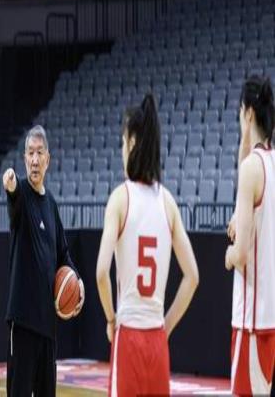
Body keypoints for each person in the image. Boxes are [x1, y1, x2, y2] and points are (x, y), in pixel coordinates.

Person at [96, 94, 199, 397]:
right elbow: (192, 276)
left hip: (128, 335)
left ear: (131, 143)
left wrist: (111, 319)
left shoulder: (120, 198)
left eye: (122, 142)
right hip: (156, 340)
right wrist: (166, 326)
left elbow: (101, 273)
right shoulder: (168, 202)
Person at [2, 124, 85, 397]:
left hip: (48, 327)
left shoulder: (51, 205)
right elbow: (14, 198)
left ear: (48, 159)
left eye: (39, 153)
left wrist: (78, 281)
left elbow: (64, 255)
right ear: (24, 158)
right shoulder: (21, 195)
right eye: (30, 153)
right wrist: (10, 185)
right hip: (23, 323)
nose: (35, 160)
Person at [226, 76, 275, 396]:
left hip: (252, 322)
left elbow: (241, 253)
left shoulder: (251, 169)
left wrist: (228, 256)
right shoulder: (269, 163)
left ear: (248, 113)